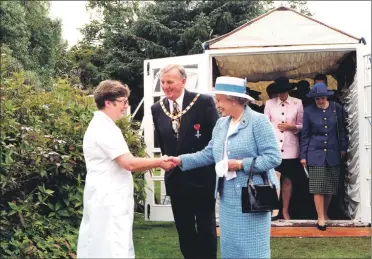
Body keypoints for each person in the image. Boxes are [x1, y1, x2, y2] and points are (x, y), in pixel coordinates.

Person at [169, 76, 281, 258]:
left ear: (234, 100)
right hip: (228, 198)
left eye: (219, 99)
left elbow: (273, 158)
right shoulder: (221, 124)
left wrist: (240, 165)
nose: (217, 104)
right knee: (230, 249)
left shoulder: (258, 122)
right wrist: (180, 160)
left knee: (252, 250)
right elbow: (209, 153)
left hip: (253, 198)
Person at [77, 80, 176, 258]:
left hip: (106, 197)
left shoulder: (103, 126)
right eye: (123, 102)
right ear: (108, 102)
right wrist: (159, 162)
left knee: (101, 244)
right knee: (112, 247)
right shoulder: (104, 129)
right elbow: (128, 163)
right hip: (109, 199)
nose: (126, 106)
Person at [151, 64, 219, 259]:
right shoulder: (157, 108)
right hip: (176, 179)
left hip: (202, 176)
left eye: (169, 82)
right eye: (162, 82)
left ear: (183, 81)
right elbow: (164, 144)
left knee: (206, 227)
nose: (165, 86)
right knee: (184, 228)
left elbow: (214, 138)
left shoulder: (203, 102)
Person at [300, 82, 347, 231]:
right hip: (315, 153)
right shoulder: (308, 111)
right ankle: (320, 218)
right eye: (317, 99)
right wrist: (303, 156)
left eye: (322, 98)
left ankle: (325, 213)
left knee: (329, 187)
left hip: (333, 151)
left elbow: (341, 130)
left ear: (327, 97)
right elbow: (305, 135)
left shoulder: (336, 108)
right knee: (318, 187)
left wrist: (343, 147)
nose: (320, 101)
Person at [264, 77, 304, 220]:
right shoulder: (269, 104)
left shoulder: (297, 103)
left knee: (288, 180)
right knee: (274, 177)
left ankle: (285, 211)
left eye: (284, 91)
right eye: (279, 92)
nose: (281, 94)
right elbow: (265, 125)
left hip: (290, 147)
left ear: (288, 91)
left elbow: (302, 125)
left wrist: (291, 127)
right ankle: (274, 210)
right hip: (274, 148)